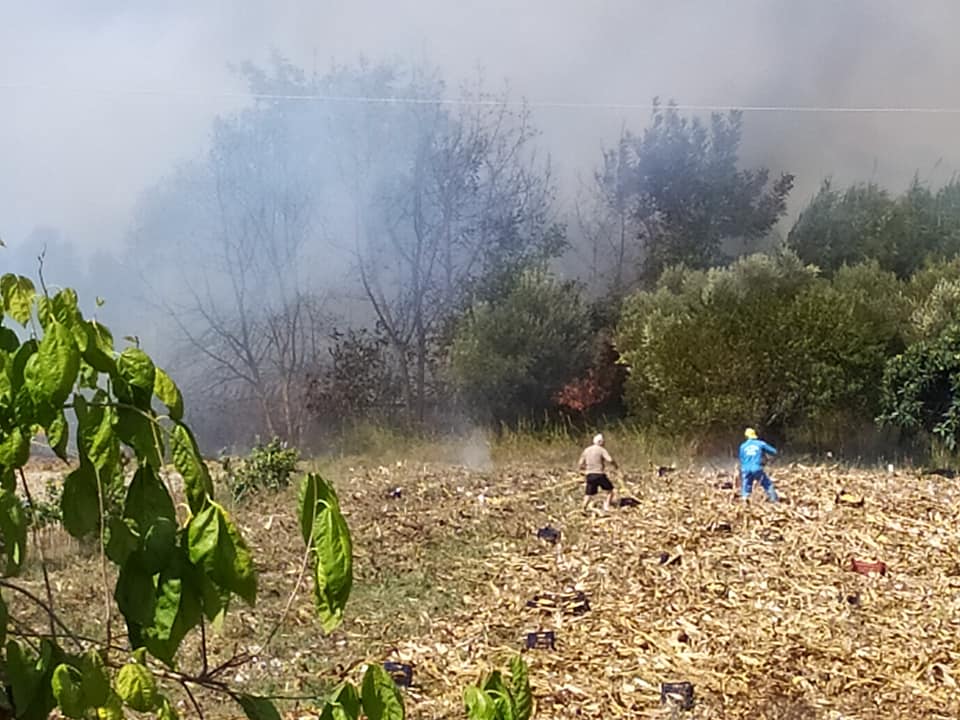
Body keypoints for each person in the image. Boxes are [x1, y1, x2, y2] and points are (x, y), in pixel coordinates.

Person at [578, 433, 618, 512]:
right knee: (610, 490)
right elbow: (610, 459)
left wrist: (582, 470)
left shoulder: (587, 450)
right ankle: (606, 506)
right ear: (600, 442)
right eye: (603, 442)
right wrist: (615, 465)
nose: (604, 443)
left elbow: (580, 463)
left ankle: (583, 508)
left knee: (588, 494)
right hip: (599, 474)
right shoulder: (601, 450)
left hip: (589, 475)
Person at [738, 427, 779, 502]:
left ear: (746, 436)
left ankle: (745, 499)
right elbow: (773, 451)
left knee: (746, 485)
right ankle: (774, 500)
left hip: (745, 469)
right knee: (767, 484)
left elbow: (741, 458)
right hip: (756, 468)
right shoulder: (760, 443)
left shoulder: (742, 446)